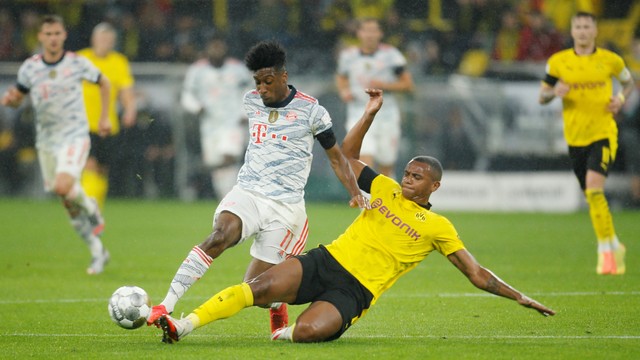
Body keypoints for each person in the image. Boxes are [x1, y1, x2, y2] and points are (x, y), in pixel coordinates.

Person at [155, 88, 556, 344]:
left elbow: (476, 273)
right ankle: (185, 324)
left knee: (311, 331)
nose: (407, 179)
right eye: (407, 172)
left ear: (434, 187)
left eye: (417, 177)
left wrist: (519, 296)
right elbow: (346, 157)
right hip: (327, 260)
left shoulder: (439, 227)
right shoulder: (384, 188)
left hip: (356, 291)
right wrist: (370, 113)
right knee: (256, 288)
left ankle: (287, 332)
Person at [147, 40, 368, 334]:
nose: (261, 89)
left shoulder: (312, 111)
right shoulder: (250, 101)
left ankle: (277, 306)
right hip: (248, 192)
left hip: (285, 209)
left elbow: (337, 159)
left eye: (267, 81)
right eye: (257, 82)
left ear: (283, 77)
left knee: (257, 292)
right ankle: (167, 305)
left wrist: (355, 193)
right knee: (218, 236)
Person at [1, 15, 111, 274]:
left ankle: (91, 206)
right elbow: (19, 96)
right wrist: (11, 100)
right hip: (47, 142)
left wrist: (104, 116)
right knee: (67, 201)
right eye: (48, 34)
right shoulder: (30, 68)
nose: (52, 38)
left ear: (64, 36)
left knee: (64, 186)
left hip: (74, 135)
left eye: (57, 33)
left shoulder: (76, 63)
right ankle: (98, 252)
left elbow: (104, 82)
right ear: (40, 37)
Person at [538, 12, 635, 275]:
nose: (582, 31)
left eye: (586, 27)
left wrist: (621, 99)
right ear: (572, 32)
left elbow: (629, 83)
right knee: (591, 196)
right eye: (578, 27)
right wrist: (553, 93)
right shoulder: (558, 62)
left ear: (595, 31)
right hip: (575, 138)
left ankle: (607, 254)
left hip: (603, 134)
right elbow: (542, 96)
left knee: (594, 191)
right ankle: (615, 243)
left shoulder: (610, 60)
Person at [335, 17, 414, 178]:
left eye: (373, 31)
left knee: (386, 164)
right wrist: (344, 91)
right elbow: (341, 77)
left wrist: (384, 85)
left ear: (380, 33)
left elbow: (408, 84)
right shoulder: (348, 56)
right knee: (363, 159)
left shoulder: (391, 55)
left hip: (386, 114)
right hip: (359, 113)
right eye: (366, 31)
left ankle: (384, 199)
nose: (369, 35)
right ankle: (368, 202)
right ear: (359, 33)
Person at [180, 34, 252, 200]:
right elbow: (187, 95)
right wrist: (197, 108)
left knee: (229, 157)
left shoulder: (238, 69)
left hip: (233, 123)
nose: (217, 51)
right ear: (207, 50)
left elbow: (250, 93)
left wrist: (244, 113)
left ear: (225, 49)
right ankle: (227, 200)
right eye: (214, 47)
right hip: (209, 125)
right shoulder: (197, 70)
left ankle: (235, 200)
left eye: (220, 47)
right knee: (217, 167)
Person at [77, 22, 136, 209]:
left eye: (109, 40)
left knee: (102, 169)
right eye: (102, 38)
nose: (105, 42)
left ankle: (95, 206)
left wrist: (129, 110)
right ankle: (88, 205)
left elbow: (126, 90)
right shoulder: (81, 59)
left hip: (108, 126)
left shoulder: (119, 62)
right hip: (82, 124)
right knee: (90, 164)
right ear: (94, 39)